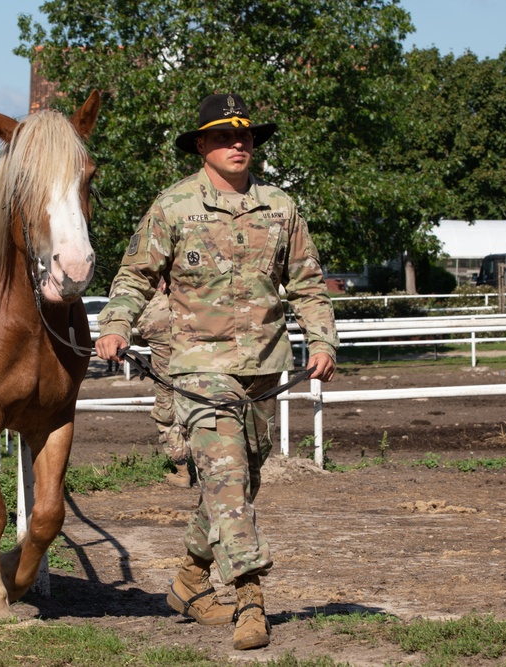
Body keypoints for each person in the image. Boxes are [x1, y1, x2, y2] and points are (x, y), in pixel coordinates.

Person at [96, 92, 338, 651]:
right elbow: (133, 277)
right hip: (197, 369)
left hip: (263, 370)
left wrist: (322, 338)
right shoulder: (174, 206)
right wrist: (115, 325)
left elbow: (306, 283)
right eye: (224, 136)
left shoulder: (281, 207)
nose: (238, 143)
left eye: (246, 136)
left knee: (236, 483)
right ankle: (250, 601)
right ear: (202, 145)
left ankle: (186, 581)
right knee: (229, 483)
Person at [135, 281, 192, 488]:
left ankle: (182, 472)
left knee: (166, 414)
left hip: (166, 375)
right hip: (198, 368)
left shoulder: (146, 305)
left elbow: (140, 335)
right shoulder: (187, 300)